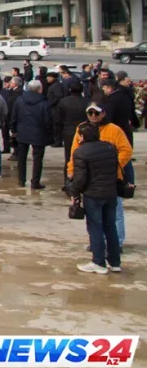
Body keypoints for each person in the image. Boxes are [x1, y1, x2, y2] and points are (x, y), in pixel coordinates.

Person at [68, 103, 133, 252]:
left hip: (111, 178)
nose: (93, 116)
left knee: (115, 213)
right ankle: (97, 243)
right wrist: (71, 171)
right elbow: (74, 153)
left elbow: (126, 150)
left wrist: (115, 165)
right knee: (94, 216)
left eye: (96, 113)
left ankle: (117, 243)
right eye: (90, 113)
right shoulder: (82, 129)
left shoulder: (114, 130)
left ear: (103, 113)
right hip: (90, 180)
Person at [70, 122, 121, 274]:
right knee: (110, 227)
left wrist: (74, 192)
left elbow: (80, 178)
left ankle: (98, 262)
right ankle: (115, 262)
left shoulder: (81, 152)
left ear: (82, 136)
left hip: (93, 195)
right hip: (111, 193)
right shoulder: (110, 148)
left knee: (95, 227)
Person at [10, 80, 53, 190]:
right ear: (40, 89)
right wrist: (49, 132)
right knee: (37, 158)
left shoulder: (20, 100)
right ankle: (35, 181)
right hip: (39, 133)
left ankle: (21, 180)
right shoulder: (44, 102)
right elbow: (48, 120)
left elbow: (14, 115)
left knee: (22, 158)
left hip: (22, 131)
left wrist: (13, 129)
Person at [56, 83, 88, 192]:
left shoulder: (64, 102)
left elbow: (58, 119)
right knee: (85, 158)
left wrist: (58, 134)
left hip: (68, 133)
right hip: (85, 133)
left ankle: (68, 182)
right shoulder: (87, 102)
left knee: (69, 158)